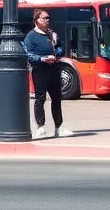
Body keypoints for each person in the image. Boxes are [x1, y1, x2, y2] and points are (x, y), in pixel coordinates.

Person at [23, 8, 74, 138]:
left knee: (57, 98)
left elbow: (61, 50)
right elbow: (28, 54)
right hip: (39, 69)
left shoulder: (52, 34)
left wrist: (56, 52)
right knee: (40, 97)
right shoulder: (31, 36)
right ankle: (40, 127)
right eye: (44, 18)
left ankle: (59, 127)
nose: (47, 21)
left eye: (48, 18)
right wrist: (42, 59)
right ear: (36, 20)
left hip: (53, 68)